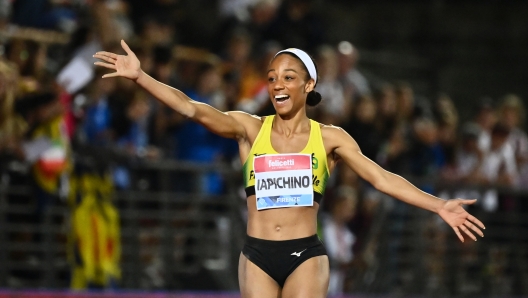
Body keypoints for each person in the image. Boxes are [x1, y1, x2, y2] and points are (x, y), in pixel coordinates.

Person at [94, 41, 485, 297]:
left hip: (306, 255)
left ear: (308, 83)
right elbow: (191, 108)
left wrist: (438, 206)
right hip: (257, 254)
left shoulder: (330, 137)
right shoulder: (250, 128)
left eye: (288, 77)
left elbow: (381, 178)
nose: (277, 84)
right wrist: (141, 77)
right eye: (271, 78)